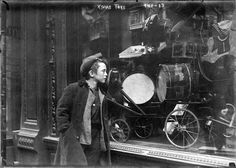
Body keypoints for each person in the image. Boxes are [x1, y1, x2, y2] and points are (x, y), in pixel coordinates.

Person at [54, 53, 111, 166]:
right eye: (103, 71)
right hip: (76, 140)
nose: (106, 74)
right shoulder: (74, 89)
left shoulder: (102, 92)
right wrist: (68, 133)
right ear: (91, 73)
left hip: (95, 141)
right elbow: (61, 112)